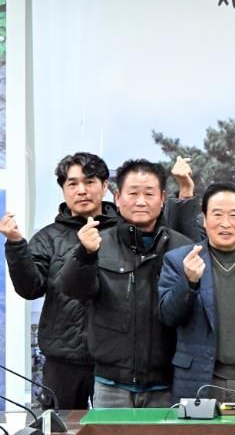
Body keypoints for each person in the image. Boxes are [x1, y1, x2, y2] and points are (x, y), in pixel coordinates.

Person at [60, 159, 192, 408]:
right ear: (118, 198)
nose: (141, 201)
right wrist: (84, 254)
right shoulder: (98, 243)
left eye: (149, 194)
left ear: (163, 198)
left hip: (166, 385)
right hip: (111, 385)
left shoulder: (182, 247)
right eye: (133, 193)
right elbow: (74, 290)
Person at [1, 152, 118, 409]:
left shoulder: (124, 233)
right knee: (58, 425)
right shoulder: (48, 237)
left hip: (115, 359)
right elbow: (30, 288)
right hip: (63, 359)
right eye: (72, 183)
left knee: (113, 426)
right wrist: (16, 244)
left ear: (105, 186)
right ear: (63, 190)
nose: (82, 190)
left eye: (90, 182)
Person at [160, 182, 235, 403]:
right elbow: (168, 316)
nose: (225, 223)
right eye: (217, 214)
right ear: (204, 219)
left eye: (234, 215)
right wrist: (189, 282)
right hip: (199, 379)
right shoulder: (179, 260)